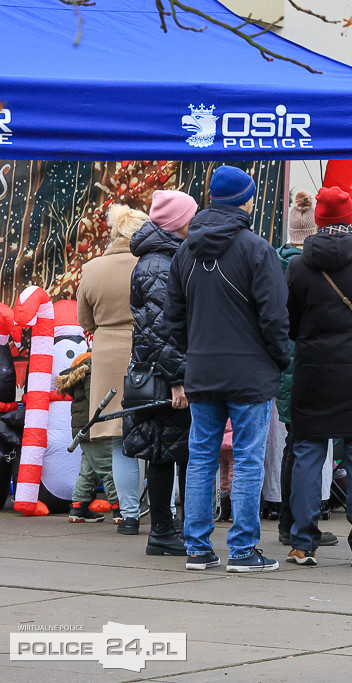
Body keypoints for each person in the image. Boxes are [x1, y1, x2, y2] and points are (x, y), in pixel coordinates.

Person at [164, 166, 290, 573]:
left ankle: (197, 548)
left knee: (200, 456)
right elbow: (275, 317)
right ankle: (242, 550)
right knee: (249, 458)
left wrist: (195, 352)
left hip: (202, 370)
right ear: (243, 200)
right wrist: (279, 357)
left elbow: (172, 319)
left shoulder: (184, 251)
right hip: (250, 373)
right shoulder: (257, 249)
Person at [285, 186, 352, 567]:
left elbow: (291, 324)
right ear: (350, 220)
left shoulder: (298, 267)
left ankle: (301, 543)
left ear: (318, 222)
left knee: (307, 454)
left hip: (313, 372)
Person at [123, 190, 197, 556]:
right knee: (168, 452)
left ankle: (170, 530)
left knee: (166, 451)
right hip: (164, 375)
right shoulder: (159, 264)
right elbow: (160, 328)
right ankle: (166, 531)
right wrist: (177, 379)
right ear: (179, 222)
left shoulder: (163, 258)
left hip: (156, 369)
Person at [275, 190, 338, 549]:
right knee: (309, 447)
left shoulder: (274, 263)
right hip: (313, 363)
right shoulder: (314, 266)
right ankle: (302, 524)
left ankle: (290, 522)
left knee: (293, 445)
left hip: (284, 365)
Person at [77, 204, 147, 534]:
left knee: (120, 440)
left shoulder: (92, 268)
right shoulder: (151, 263)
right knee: (157, 431)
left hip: (106, 354)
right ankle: (164, 510)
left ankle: (129, 515)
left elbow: (85, 321)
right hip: (147, 351)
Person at [56, 352, 118, 522]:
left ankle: (78, 508)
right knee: (108, 467)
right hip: (95, 428)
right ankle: (121, 509)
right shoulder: (93, 369)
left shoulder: (82, 373)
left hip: (83, 429)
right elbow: (97, 399)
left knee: (88, 470)